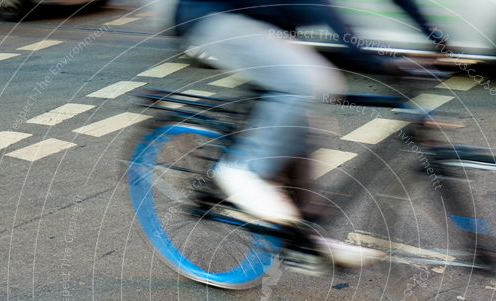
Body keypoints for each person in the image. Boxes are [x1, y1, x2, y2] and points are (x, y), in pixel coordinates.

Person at [172, 1, 445, 269]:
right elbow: (320, 8)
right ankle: (242, 169)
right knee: (310, 83)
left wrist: (439, 42)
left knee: (303, 123)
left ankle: (305, 240)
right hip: (215, 14)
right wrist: (382, 63)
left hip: (268, 21)